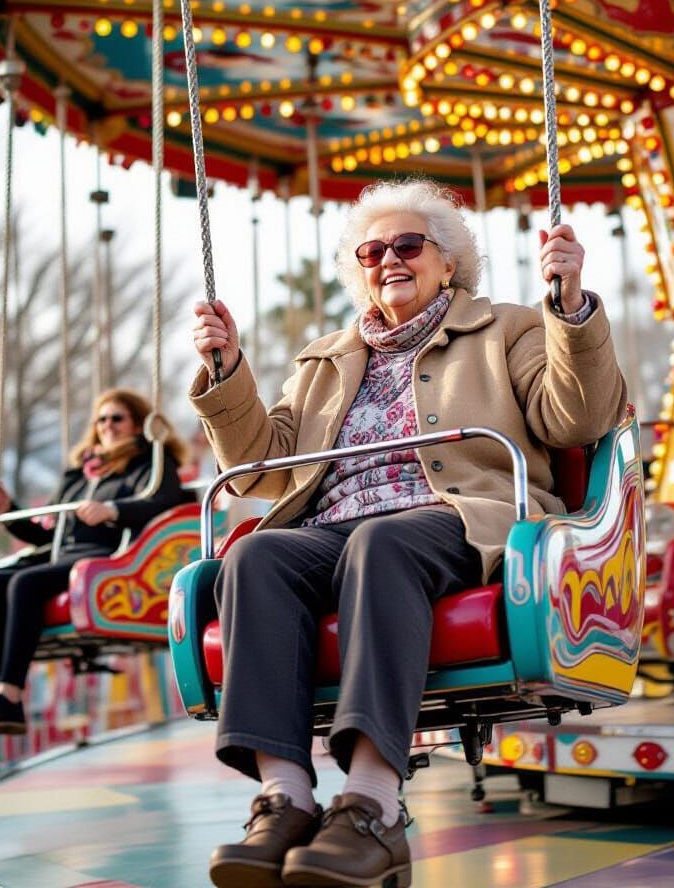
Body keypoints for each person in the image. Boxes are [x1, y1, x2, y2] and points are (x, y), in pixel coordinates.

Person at [190, 179, 627, 888]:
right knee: (258, 556)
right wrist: (228, 371)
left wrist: (569, 309)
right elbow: (260, 470)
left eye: (408, 245)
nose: (388, 259)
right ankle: (284, 798)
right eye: (372, 252)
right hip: (333, 526)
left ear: (448, 262)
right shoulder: (325, 360)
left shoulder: (507, 328)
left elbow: (576, 418)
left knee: (382, 544)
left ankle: (373, 802)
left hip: (456, 516)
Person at [0, 388, 188, 737]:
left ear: (137, 424)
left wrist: (112, 510)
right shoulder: (79, 476)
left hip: (109, 558)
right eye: (101, 419)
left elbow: (161, 503)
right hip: (61, 558)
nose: (107, 425)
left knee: (25, 584)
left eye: (116, 418)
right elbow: (47, 533)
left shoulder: (151, 464)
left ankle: (10, 695)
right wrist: (9, 509)